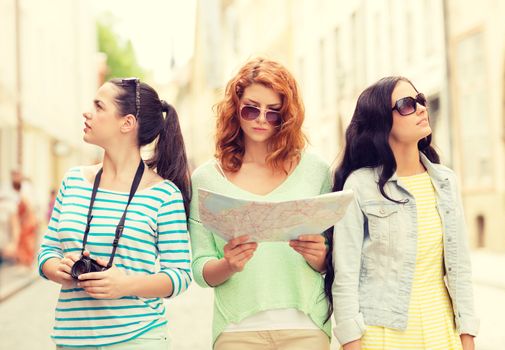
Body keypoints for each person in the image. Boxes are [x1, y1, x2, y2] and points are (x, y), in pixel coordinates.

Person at [324, 76, 479, 350]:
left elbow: (461, 271)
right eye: (407, 104)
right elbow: (346, 276)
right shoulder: (360, 185)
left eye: (420, 100)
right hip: (382, 336)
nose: (421, 108)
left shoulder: (445, 182)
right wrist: (351, 343)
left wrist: (468, 339)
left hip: (441, 333)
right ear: (382, 121)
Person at [38, 78, 192, 349]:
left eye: (99, 107)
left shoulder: (164, 195)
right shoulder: (73, 180)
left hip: (139, 338)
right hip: (70, 340)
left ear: (127, 123)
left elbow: (179, 275)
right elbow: (47, 252)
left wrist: (126, 285)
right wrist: (58, 268)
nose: (88, 113)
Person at [189, 58, 332, 349]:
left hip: (306, 327)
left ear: (288, 116)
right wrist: (229, 263)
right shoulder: (206, 178)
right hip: (236, 330)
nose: (261, 120)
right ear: (235, 107)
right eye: (251, 109)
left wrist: (319, 256)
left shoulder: (315, 169)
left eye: (274, 113)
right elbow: (200, 270)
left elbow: (335, 259)